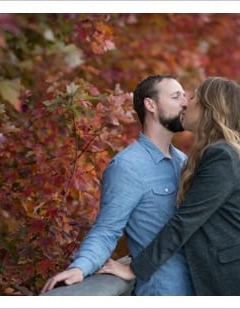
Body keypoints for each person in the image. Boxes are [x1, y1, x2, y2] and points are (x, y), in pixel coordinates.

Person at [98, 76, 240, 295]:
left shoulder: (221, 155)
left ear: (208, 108)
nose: (186, 103)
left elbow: (186, 220)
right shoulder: (217, 153)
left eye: (192, 97)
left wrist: (134, 269)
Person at [40, 74, 195, 295]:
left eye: (185, 96)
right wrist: (80, 267)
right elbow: (107, 229)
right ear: (150, 104)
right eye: (175, 96)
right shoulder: (127, 167)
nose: (185, 103)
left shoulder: (184, 162)